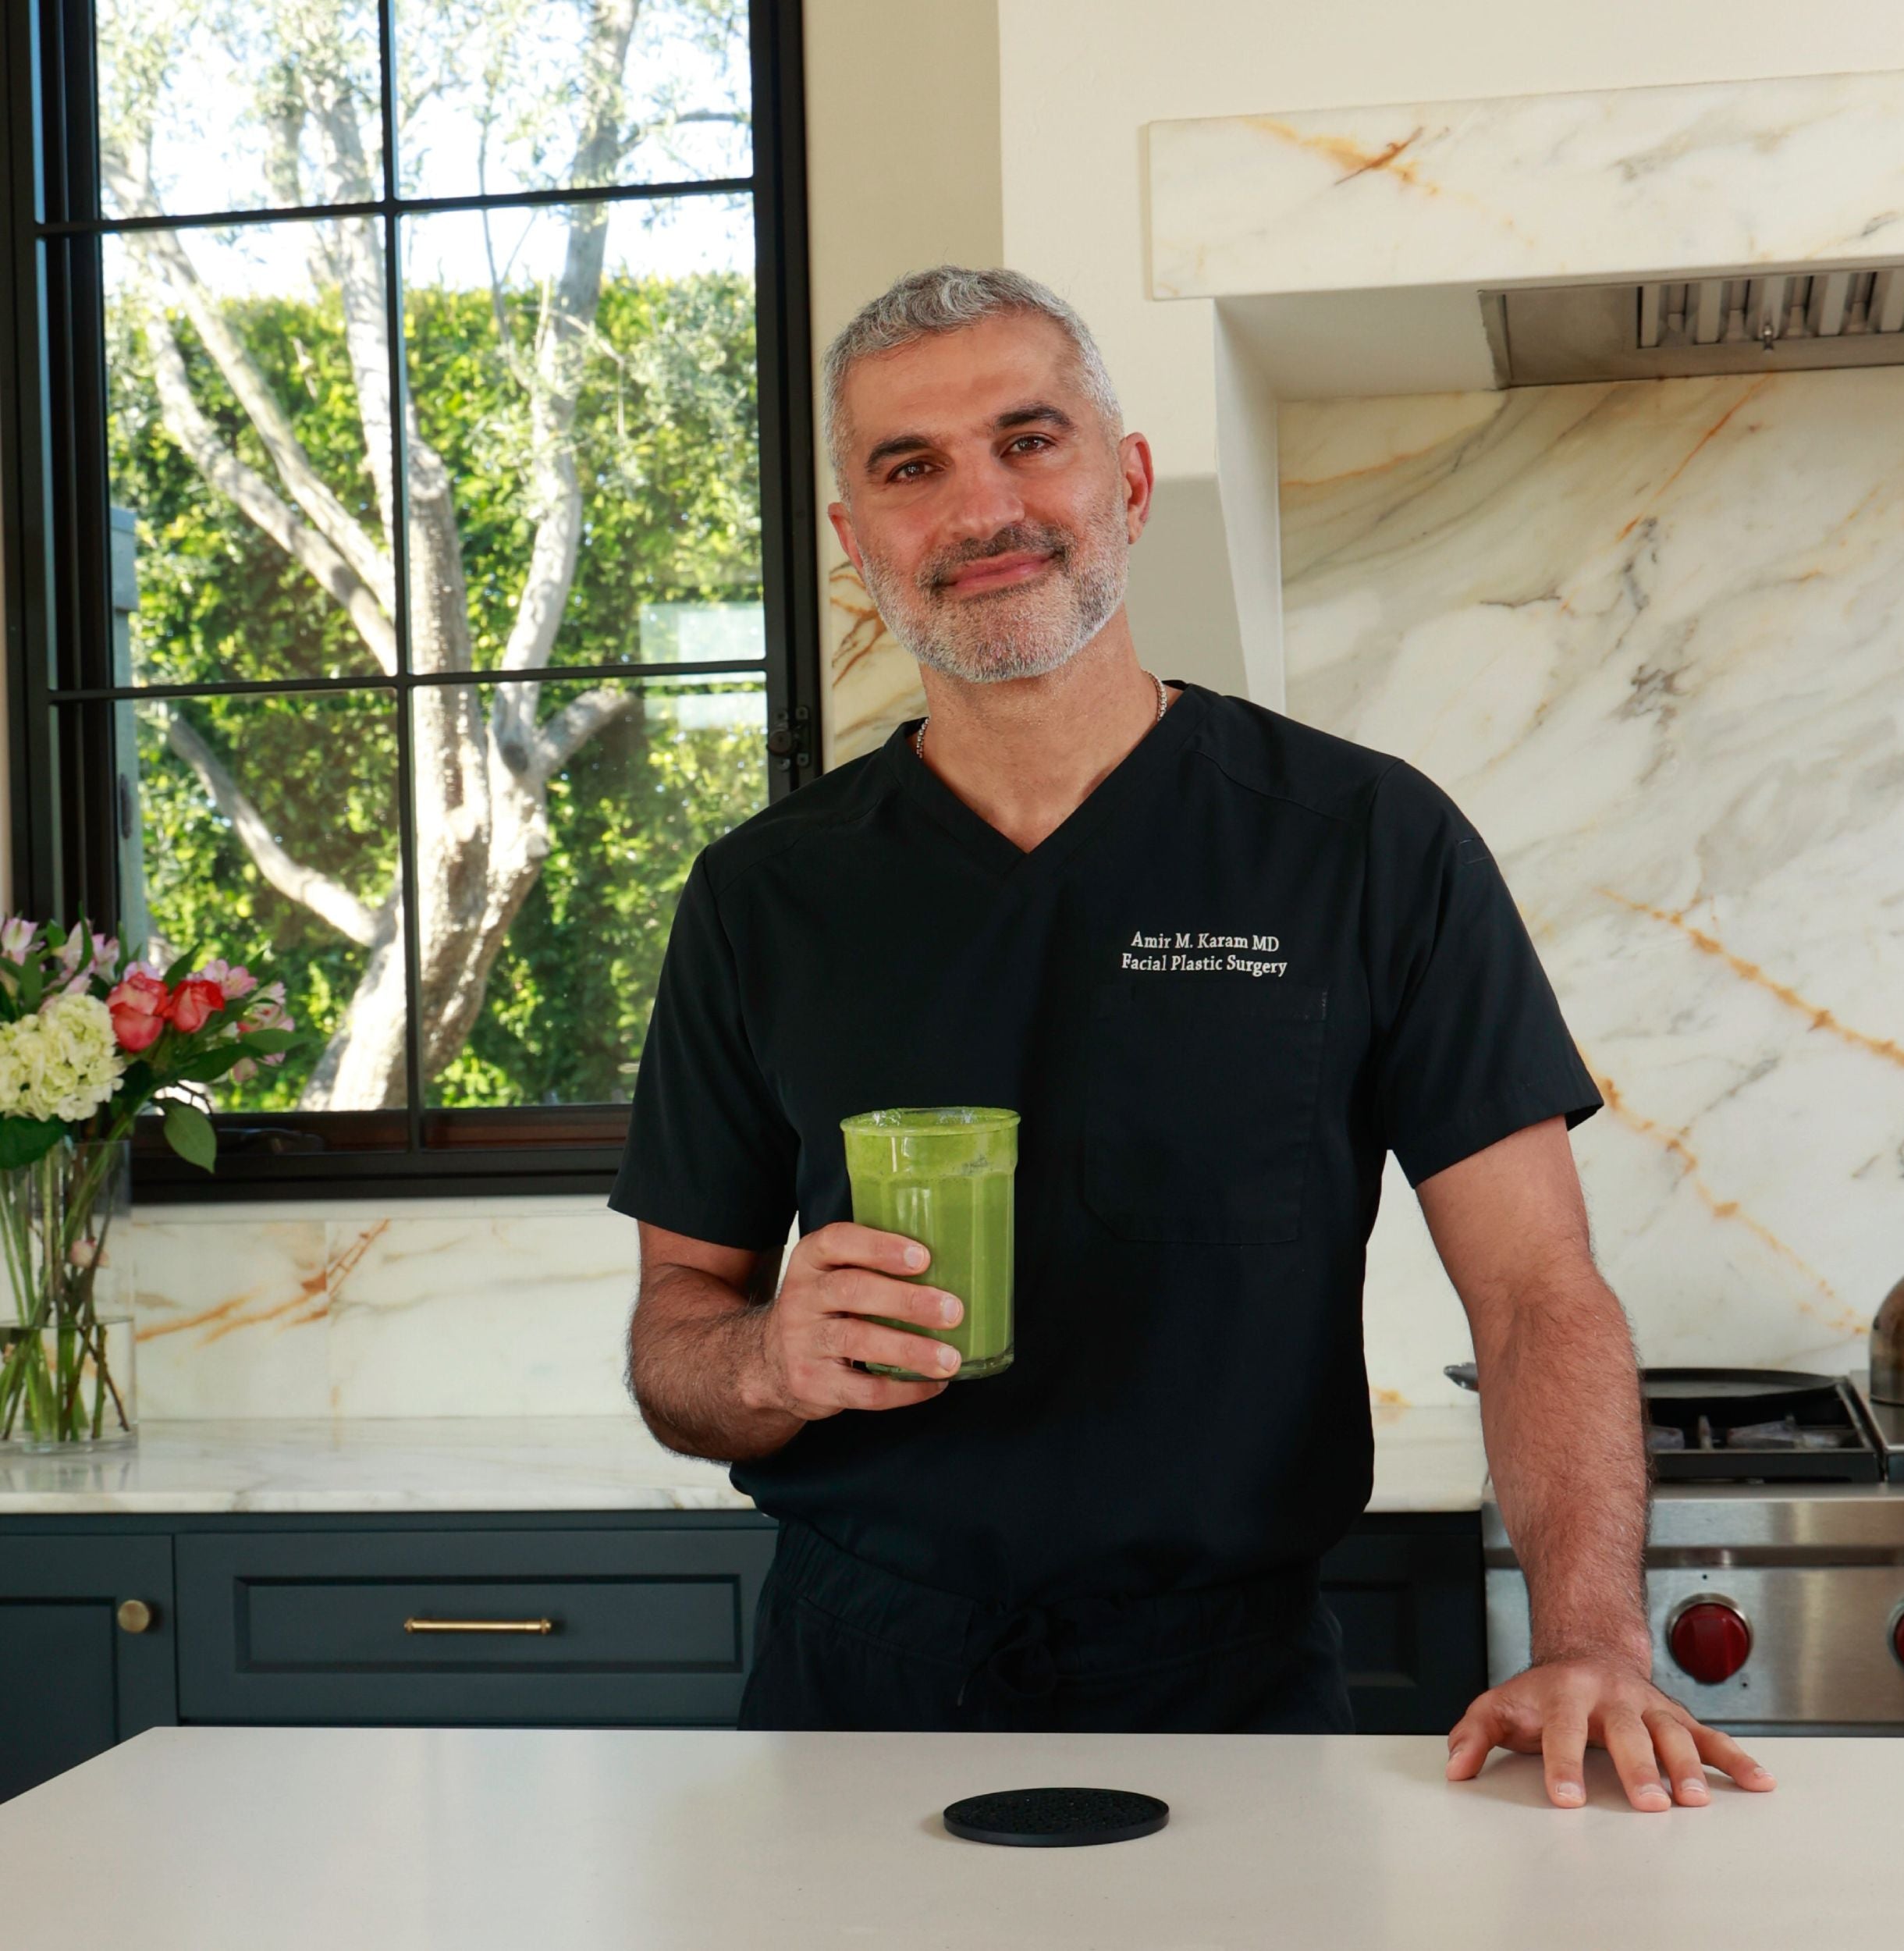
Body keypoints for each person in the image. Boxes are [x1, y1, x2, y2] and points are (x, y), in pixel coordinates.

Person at [613, 266, 1775, 1814]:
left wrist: (1588, 1637)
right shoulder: (761, 896)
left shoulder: (1363, 844)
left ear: (1129, 479)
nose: (980, 507)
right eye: (910, 467)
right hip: (852, 1686)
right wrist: (764, 1353)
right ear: (853, 540)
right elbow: (674, 1332)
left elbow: (1533, 1292)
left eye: (1030, 439)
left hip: (1230, 1686)